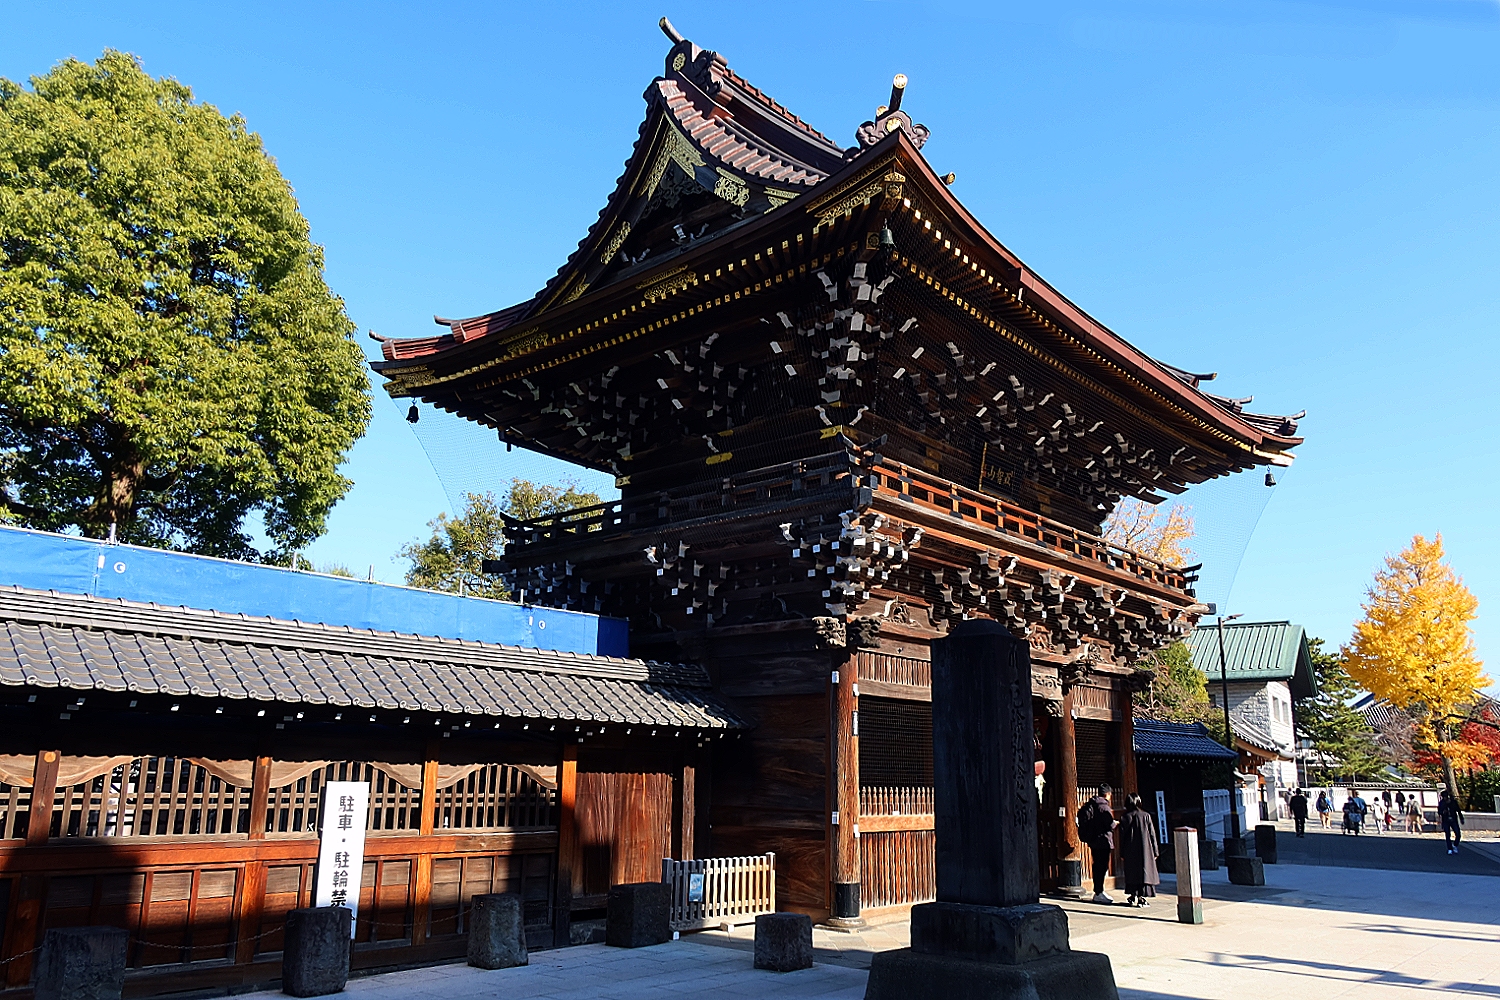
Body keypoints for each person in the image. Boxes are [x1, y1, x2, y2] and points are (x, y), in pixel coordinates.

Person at [1077, 783, 1118, 904]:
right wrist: (1116, 823)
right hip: (1103, 841)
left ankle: (1098, 891)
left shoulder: (1091, 804)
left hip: (1093, 840)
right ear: (1108, 794)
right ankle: (1099, 892)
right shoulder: (1104, 807)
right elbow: (1110, 825)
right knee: (1102, 866)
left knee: (1097, 865)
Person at [1117, 793, 1161, 908]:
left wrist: (1122, 852)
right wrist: (1155, 851)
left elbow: (1122, 837)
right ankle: (1141, 898)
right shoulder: (1145, 816)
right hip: (1144, 849)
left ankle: (1132, 895)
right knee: (1143, 872)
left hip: (1129, 850)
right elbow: (1152, 835)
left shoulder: (1124, 817)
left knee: (1132, 873)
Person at [1438, 788, 1465, 855]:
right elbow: (1439, 812)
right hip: (1446, 820)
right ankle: (1449, 848)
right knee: (1447, 834)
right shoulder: (1441, 803)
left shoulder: (1453, 802)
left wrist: (1461, 818)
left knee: (1458, 834)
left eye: (1445, 797)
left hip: (1453, 819)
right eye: (1443, 797)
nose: (1444, 798)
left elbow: (1458, 810)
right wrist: (1443, 812)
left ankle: (1455, 845)